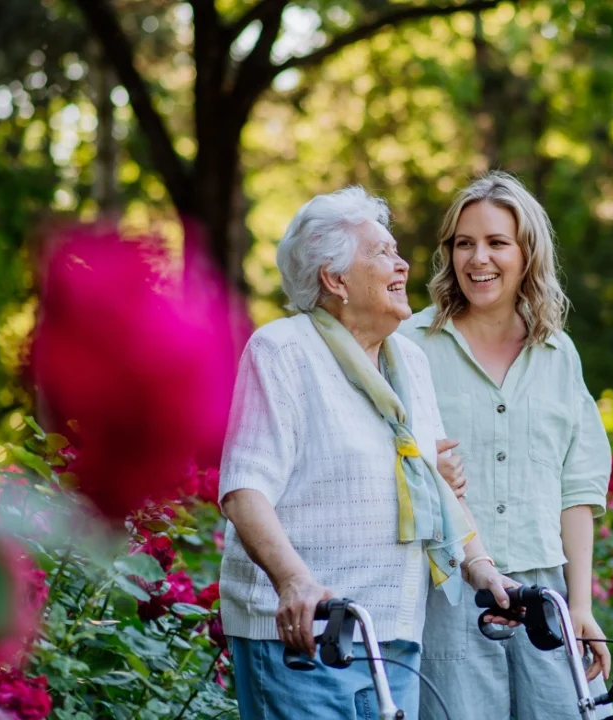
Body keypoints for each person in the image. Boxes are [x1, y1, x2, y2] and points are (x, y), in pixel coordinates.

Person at [217, 186, 516, 720]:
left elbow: (434, 485)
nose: (403, 264)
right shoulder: (283, 351)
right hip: (306, 639)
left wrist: (483, 569)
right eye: (382, 253)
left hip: (393, 636)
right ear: (335, 279)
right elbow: (244, 489)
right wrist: (294, 580)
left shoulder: (409, 362)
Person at [400, 172, 613, 719]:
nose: (478, 259)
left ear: (527, 253)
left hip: (545, 595)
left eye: (497, 242)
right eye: (464, 243)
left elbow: (577, 489)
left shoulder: (558, 353)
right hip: (448, 592)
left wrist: (581, 607)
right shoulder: (408, 347)